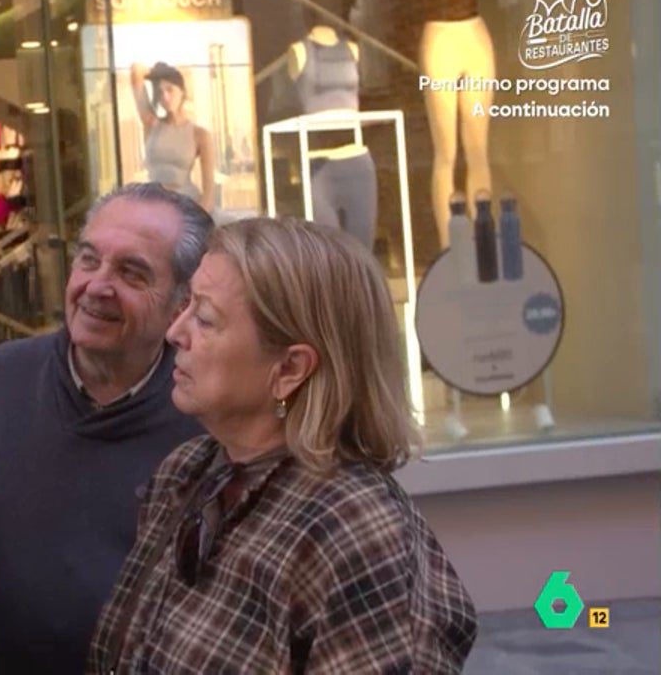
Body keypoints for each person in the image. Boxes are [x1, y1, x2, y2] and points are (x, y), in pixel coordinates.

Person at [86, 218, 478, 673]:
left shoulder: (351, 527)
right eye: (187, 303)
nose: (176, 333)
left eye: (206, 318)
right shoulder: (190, 470)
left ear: (290, 368)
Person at [0, 183, 213, 674]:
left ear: (181, 306)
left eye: (132, 273)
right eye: (88, 260)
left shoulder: (207, 415)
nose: (97, 285)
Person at [130, 62, 216, 211]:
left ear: (182, 91)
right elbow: (136, 71)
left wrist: (195, 224)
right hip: (154, 206)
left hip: (186, 206)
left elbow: (209, 195)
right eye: (160, 92)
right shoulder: (151, 124)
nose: (165, 97)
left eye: (170, 90)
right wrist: (158, 72)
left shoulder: (199, 135)